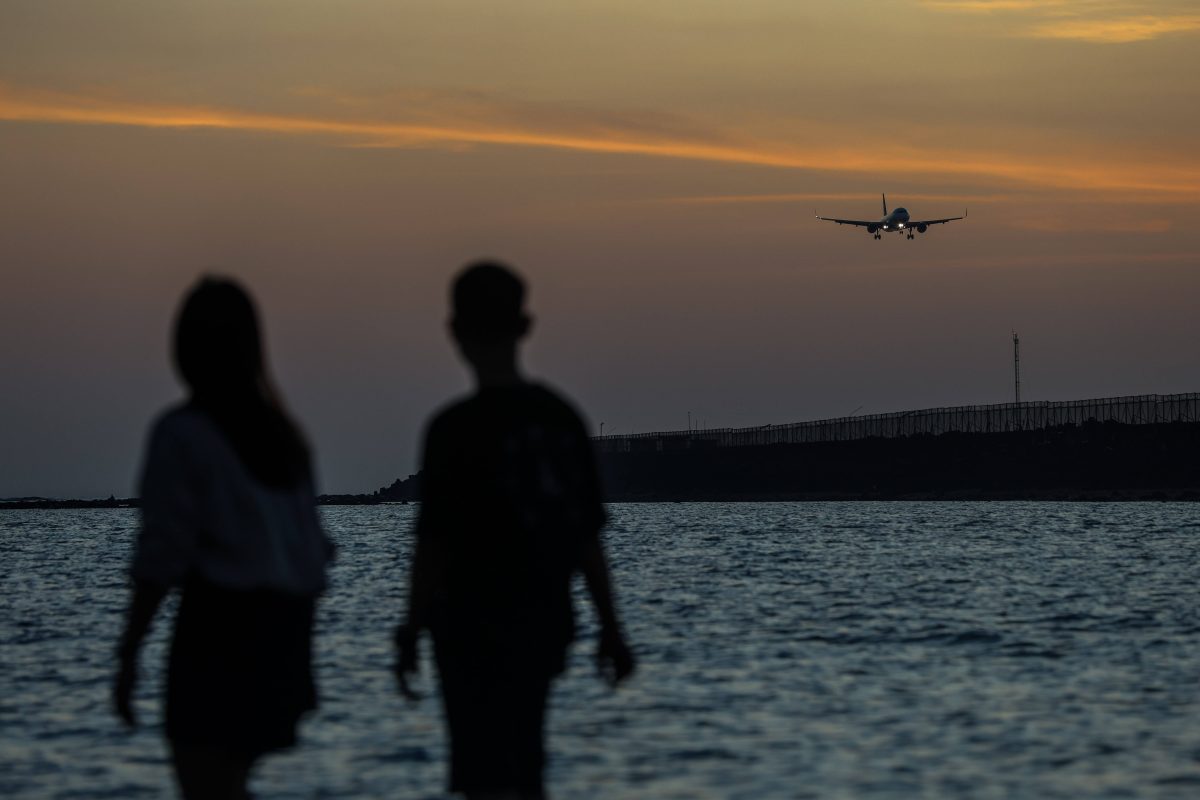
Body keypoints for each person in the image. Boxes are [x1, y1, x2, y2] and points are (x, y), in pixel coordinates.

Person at [395, 261, 635, 800]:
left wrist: (409, 629)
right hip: (540, 621)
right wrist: (612, 628)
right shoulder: (560, 420)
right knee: (525, 760)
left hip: (464, 629)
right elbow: (585, 537)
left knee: (479, 770)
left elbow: (431, 544)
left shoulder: (450, 430)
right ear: (525, 326)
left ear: (455, 332)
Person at [113, 277, 333, 800]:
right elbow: (313, 555)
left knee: (205, 786)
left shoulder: (183, 434)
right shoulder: (286, 438)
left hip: (218, 634)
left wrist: (129, 651)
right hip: (284, 635)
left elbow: (162, 554)